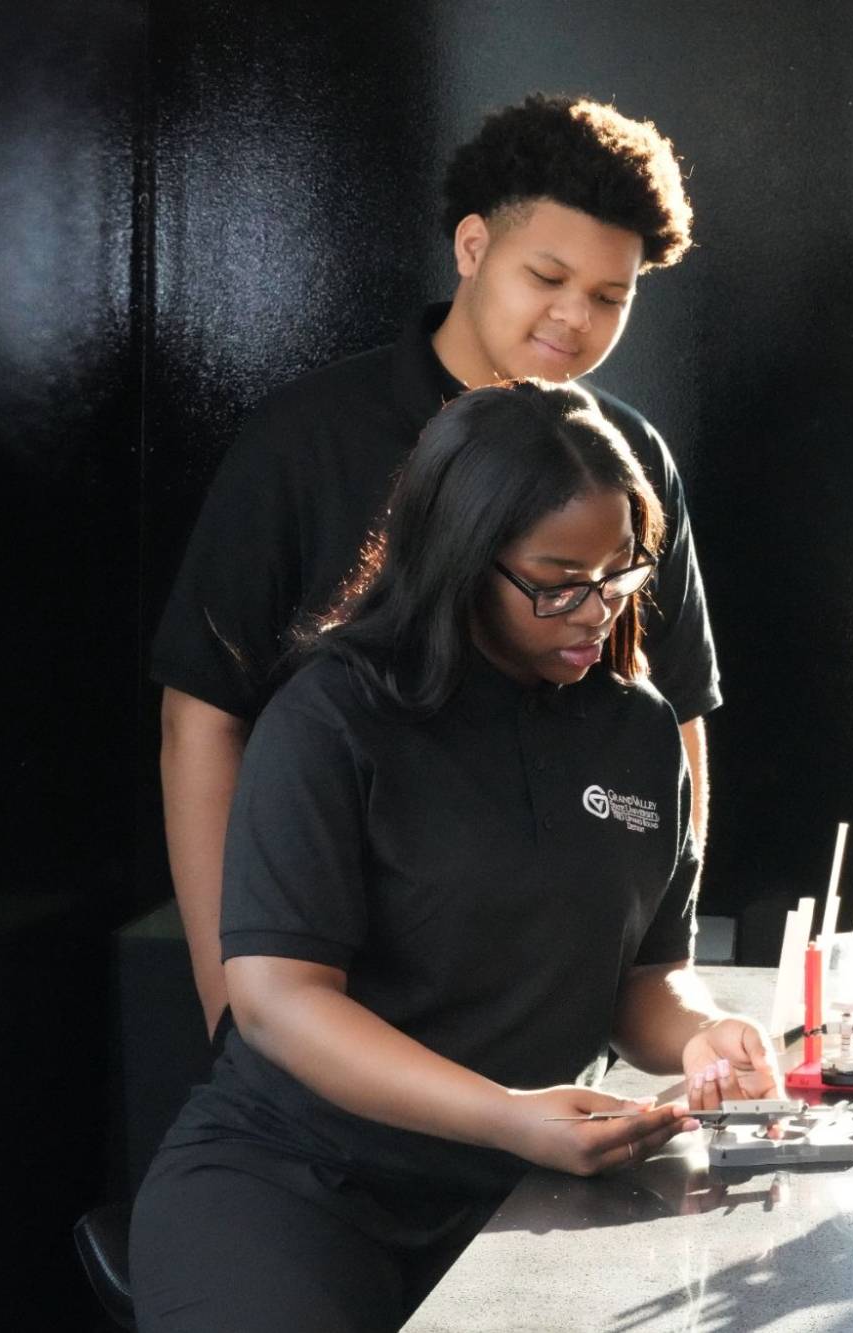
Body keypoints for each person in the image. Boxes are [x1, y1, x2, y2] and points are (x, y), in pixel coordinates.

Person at [130, 381, 777, 1332]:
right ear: (463, 557)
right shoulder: (332, 718)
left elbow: (648, 978)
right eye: (558, 580)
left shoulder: (637, 731)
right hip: (299, 1180)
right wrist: (507, 1113)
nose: (597, 610)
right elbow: (277, 1001)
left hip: (525, 1189)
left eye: (623, 573)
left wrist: (700, 1034)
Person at [154, 94, 721, 1041]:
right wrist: (237, 1009)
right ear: (471, 248)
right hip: (333, 1005)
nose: (574, 319)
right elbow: (202, 720)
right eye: (548, 275)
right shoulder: (309, 439)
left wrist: (662, 995)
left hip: (550, 1036)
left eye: (611, 296)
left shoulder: (630, 455)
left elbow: (675, 718)